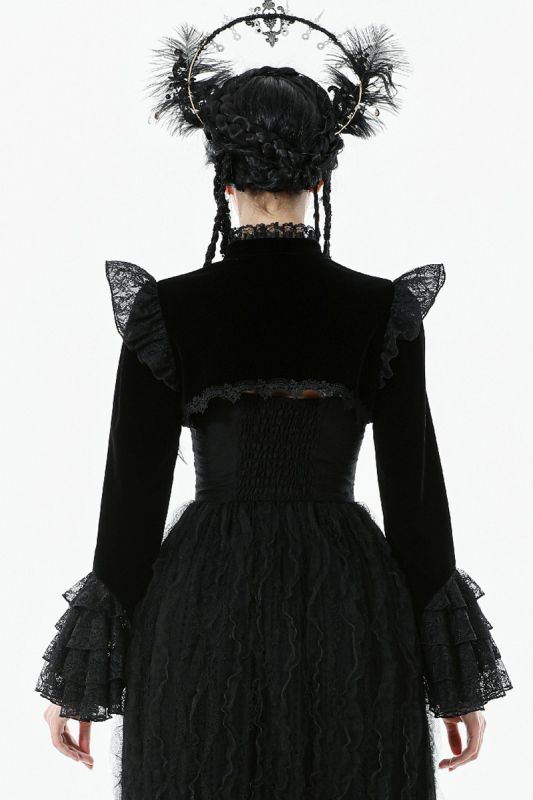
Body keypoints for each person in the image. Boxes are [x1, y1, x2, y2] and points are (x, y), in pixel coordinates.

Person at [34, 9, 513, 799]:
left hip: (203, 599)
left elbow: (131, 497)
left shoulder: (168, 312)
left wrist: (81, 680)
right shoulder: (379, 310)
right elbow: (416, 498)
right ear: (321, 176)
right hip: (348, 599)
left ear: (223, 176)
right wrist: (454, 683)